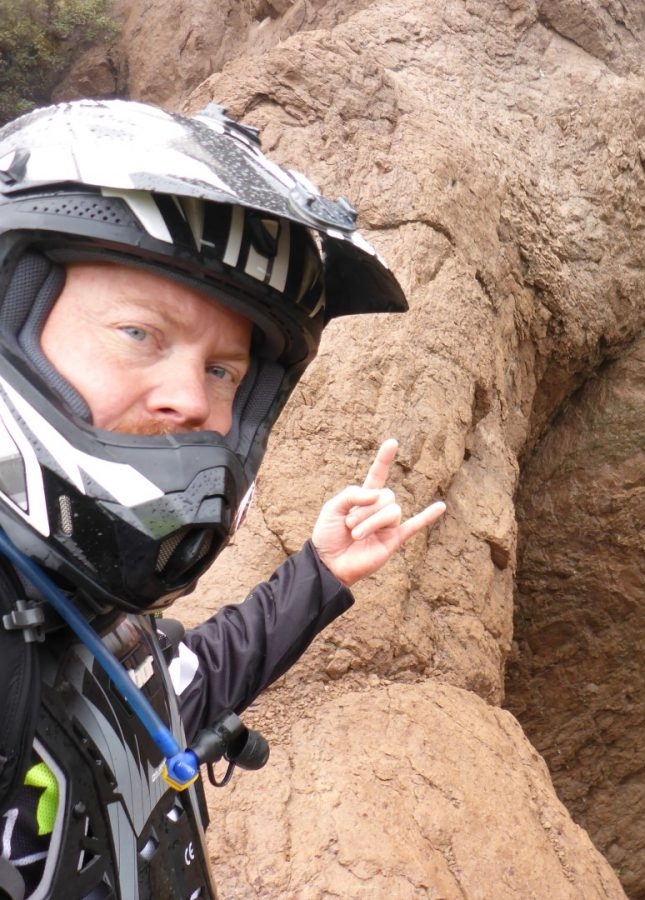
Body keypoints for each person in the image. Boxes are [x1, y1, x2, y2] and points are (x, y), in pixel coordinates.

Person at [0, 99, 444, 899]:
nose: (193, 401)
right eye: (140, 334)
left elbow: (178, 679)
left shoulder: (70, 612)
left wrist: (320, 571)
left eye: (224, 371)